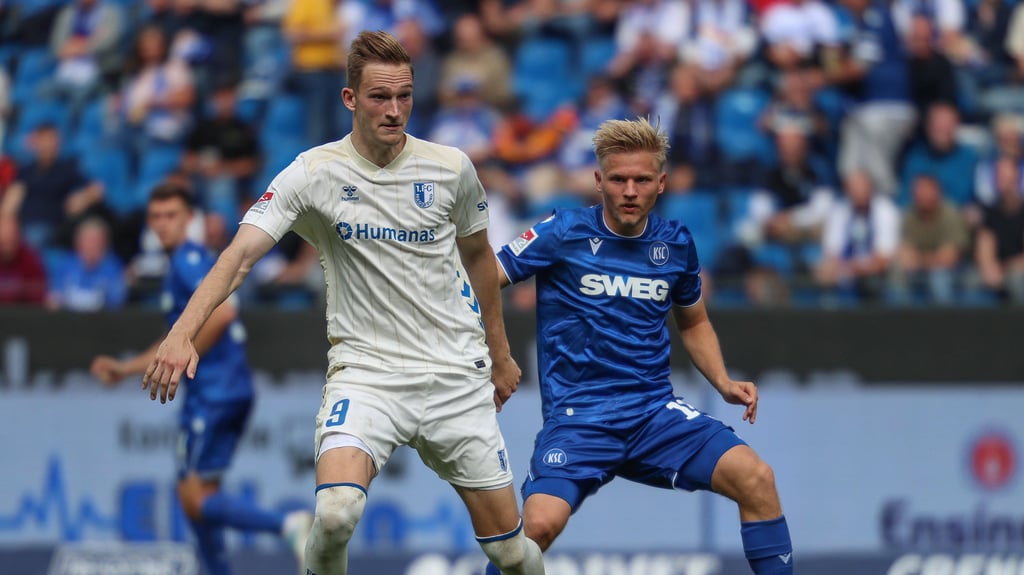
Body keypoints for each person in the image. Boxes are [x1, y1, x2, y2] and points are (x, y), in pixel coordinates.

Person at [139, 30, 545, 575]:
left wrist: (500, 353)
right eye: (380, 96)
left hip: (454, 374)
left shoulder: (452, 168)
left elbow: (479, 261)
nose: (395, 110)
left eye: (405, 95)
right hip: (367, 373)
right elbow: (238, 256)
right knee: (334, 514)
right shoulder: (313, 173)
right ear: (349, 99)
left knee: (509, 553)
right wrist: (182, 332)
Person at [487, 118, 793, 575]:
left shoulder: (676, 245)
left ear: (661, 183)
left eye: (642, 180)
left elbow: (695, 322)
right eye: (618, 179)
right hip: (579, 419)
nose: (630, 190)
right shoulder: (561, 231)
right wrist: (498, 355)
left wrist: (724, 381)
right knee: (537, 529)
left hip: (653, 414)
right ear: (599, 181)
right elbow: (483, 280)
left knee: (757, 479)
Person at [89, 183, 312, 575]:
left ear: (190, 219)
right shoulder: (187, 262)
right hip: (226, 388)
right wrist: (125, 369)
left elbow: (222, 315)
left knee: (192, 497)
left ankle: (287, 524)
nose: (163, 225)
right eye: (156, 217)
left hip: (214, 390)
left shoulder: (188, 261)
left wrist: (178, 358)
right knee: (196, 496)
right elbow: (173, 340)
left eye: (172, 215)